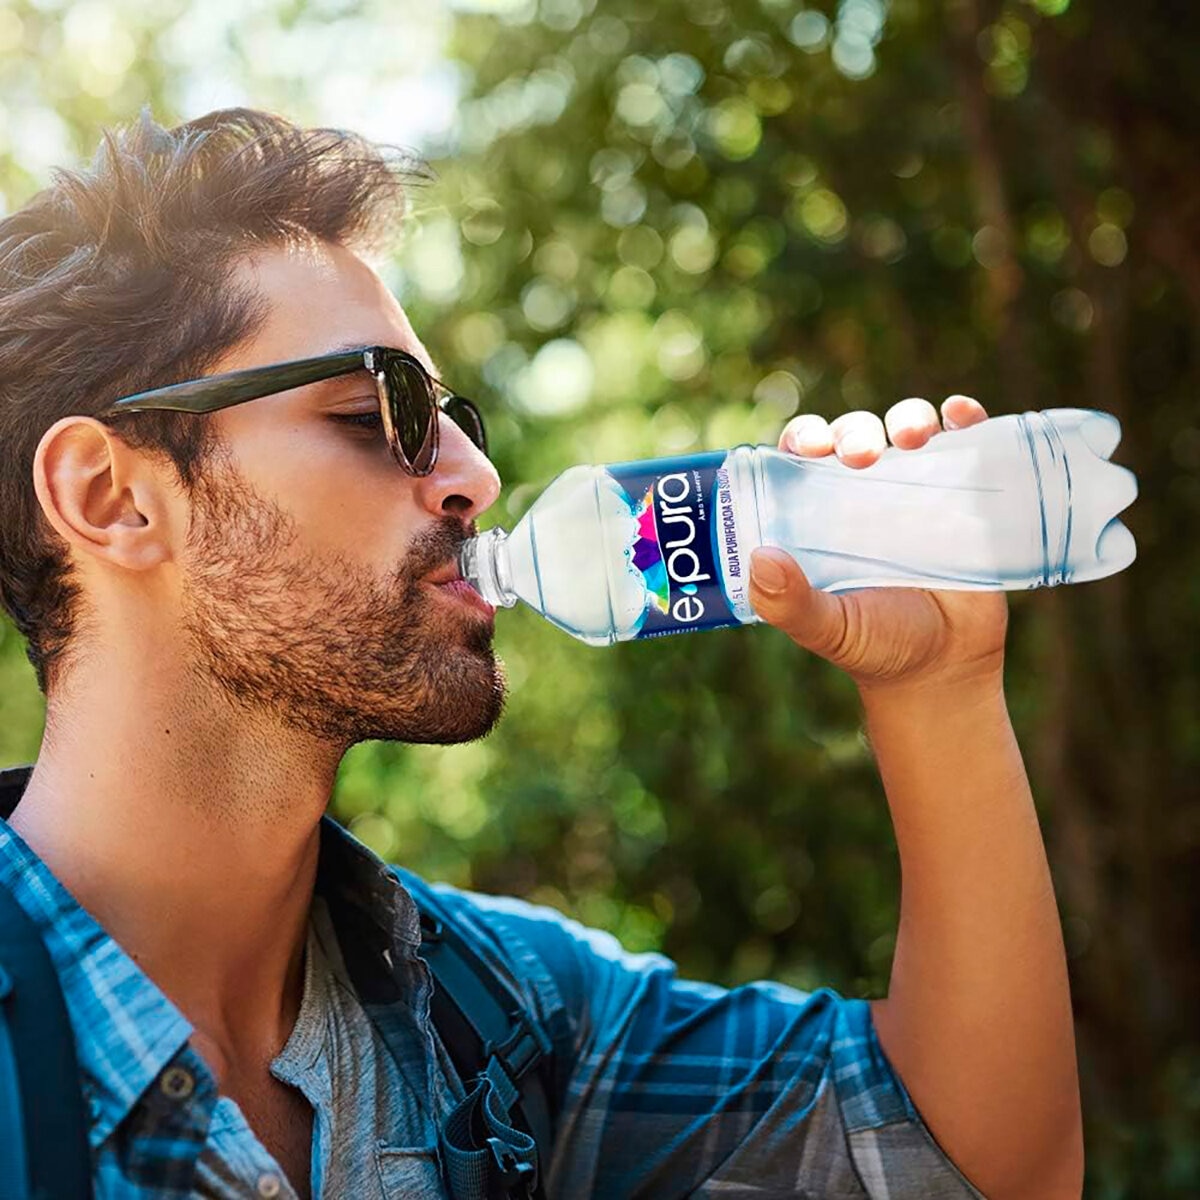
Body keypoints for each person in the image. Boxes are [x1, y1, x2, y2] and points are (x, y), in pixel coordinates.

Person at [0, 109, 1083, 1199]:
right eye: (379, 409)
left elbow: (977, 1164)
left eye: (451, 413)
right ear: (114, 498)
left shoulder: (497, 1015)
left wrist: (935, 691)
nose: (476, 475)